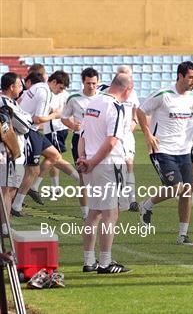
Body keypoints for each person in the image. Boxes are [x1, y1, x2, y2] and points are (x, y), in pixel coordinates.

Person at [137, 61, 193, 245]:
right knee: (176, 188)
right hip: (162, 149)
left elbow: (191, 123)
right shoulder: (164, 94)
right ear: (180, 76)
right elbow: (140, 111)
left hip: (184, 151)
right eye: (190, 77)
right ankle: (147, 205)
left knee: (187, 191)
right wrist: (148, 134)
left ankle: (182, 235)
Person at [78, 73, 133, 274]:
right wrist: (92, 162)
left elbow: (82, 136)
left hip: (90, 163)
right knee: (110, 214)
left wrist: (83, 159)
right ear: (127, 89)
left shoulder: (94, 102)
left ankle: (88, 260)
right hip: (107, 164)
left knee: (93, 213)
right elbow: (111, 142)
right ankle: (105, 262)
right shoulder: (115, 107)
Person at [12, 71, 79, 216]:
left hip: (31, 129)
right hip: (28, 130)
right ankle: (16, 205)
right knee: (33, 170)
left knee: (55, 155)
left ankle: (34, 187)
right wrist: (55, 115)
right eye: (60, 88)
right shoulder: (46, 93)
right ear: (54, 82)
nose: (60, 92)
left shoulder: (38, 86)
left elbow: (20, 100)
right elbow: (38, 119)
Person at [97, 66, 140, 212]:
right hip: (110, 133)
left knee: (129, 164)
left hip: (125, 136)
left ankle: (132, 199)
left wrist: (131, 127)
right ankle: (114, 198)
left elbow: (135, 114)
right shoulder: (104, 92)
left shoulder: (132, 93)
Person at [62, 67, 100, 220]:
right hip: (80, 141)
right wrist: (72, 126)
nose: (91, 86)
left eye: (94, 83)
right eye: (88, 83)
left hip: (98, 141)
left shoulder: (103, 98)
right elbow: (64, 117)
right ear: (83, 82)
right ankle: (85, 212)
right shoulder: (74, 98)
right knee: (83, 176)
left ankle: (99, 208)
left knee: (100, 175)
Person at [0, 72, 32, 234]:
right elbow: (25, 125)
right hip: (8, 153)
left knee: (10, 189)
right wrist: (27, 118)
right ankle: (5, 227)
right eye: (19, 85)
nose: (21, 89)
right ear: (11, 87)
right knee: (6, 189)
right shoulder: (5, 103)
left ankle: (5, 224)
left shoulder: (11, 102)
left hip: (12, 153)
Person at [44, 83, 69, 195]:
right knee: (54, 157)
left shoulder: (54, 94)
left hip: (54, 129)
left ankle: (56, 187)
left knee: (54, 157)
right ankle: (55, 187)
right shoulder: (65, 94)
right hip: (58, 128)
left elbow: (54, 111)